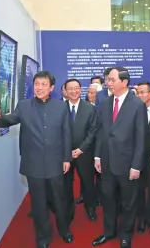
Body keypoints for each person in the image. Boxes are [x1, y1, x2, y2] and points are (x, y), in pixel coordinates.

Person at [0, 71, 73, 248]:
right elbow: (9, 119)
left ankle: (64, 230)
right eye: (36, 84)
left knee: (59, 199)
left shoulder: (61, 106)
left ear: (51, 88)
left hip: (56, 162)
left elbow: (67, 134)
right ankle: (43, 237)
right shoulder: (24, 106)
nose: (39, 87)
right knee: (38, 202)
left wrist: (67, 158)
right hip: (33, 164)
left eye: (43, 84)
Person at [92, 67, 146, 248]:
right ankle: (109, 231)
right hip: (106, 162)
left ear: (124, 82)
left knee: (128, 202)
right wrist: (98, 156)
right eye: (108, 79)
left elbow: (141, 138)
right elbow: (101, 132)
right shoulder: (105, 103)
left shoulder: (137, 105)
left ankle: (126, 235)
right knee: (108, 199)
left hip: (127, 163)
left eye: (112, 80)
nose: (109, 83)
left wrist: (136, 165)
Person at [64, 78, 98, 223]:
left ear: (80, 89)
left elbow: (93, 131)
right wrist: (67, 150)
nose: (73, 91)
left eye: (76, 88)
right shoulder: (60, 107)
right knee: (66, 185)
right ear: (65, 91)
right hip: (65, 154)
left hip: (85, 153)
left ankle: (90, 208)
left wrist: (81, 149)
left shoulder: (90, 108)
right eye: (70, 88)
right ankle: (68, 211)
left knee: (88, 183)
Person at [135, 81, 150, 233]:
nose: (140, 95)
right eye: (138, 92)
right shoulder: (133, 111)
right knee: (137, 189)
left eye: (143, 92)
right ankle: (141, 218)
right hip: (137, 157)